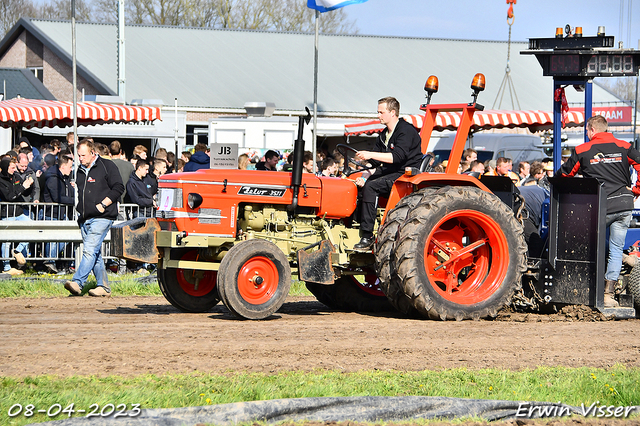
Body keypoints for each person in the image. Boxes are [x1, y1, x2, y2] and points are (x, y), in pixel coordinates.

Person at [559, 115, 640, 307]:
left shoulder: (582, 150)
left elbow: (564, 175)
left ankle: (586, 287)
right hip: (623, 204)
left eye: (587, 131)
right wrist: (637, 189)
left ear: (592, 130)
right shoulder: (624, 146)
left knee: (585, 240)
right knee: (615, 248)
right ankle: (608, 295)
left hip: (599, 206)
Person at [352, 96, 422, 250]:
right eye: (378, 112)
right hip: (390, 171)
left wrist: (370, 154)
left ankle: (367, 235)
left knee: (372, 187)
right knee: (357, 184)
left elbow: (397, 157)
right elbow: (374, 163)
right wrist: (364, 176)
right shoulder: (384, 135)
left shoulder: (406, 131)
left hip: (406, 174)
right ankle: (354, 225)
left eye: (381, 112)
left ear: (392, 112)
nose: (378, 116)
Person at [64, 140, 124, 298]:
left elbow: (119, 187)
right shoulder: (80, 170)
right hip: (85, 217)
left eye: (83, 155)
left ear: (93, 153)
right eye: (78, 155)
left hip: (102, 216)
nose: (80, 158)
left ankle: (77, 282)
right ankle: (103, 287)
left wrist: (104, 204)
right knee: (94, 254)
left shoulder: (107, 166)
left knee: (89, 251)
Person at [42, 155, 75, 273]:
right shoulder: (53, 178)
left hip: (62, 214)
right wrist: (75, 201)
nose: (71, 169)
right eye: (70, 166)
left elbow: (69, 194)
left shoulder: (65, 178)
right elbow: (58, 197)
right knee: (53, 239)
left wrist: (74, 191)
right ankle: (49, 261)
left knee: (66, 237)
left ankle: (51, 259)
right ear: (64, 166)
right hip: (52, 213)